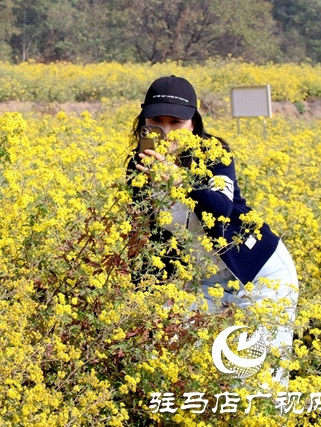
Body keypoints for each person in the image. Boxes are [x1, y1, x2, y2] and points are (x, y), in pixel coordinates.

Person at [125, 75, 299, 383]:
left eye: (175, 122)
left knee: (254, 381)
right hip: (203, 280)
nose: (165, 131)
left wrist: (177, 178)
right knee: (177, 365)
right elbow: (143, 236)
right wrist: (143, 299)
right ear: (144, 121)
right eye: (156, 120)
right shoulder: (138, 167)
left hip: (258, 275)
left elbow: (220, 209)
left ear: (192, 123)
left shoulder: (215, 154)